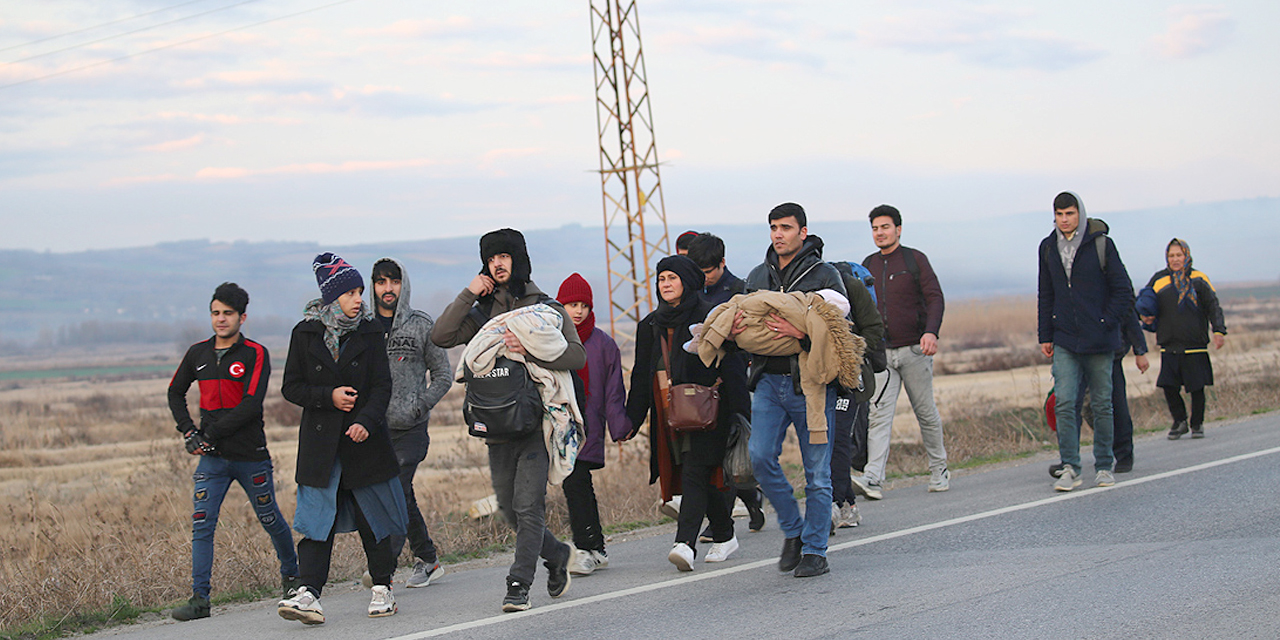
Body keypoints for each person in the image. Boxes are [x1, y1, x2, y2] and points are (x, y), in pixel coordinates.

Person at [431, 228, 583, 613]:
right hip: (496, 425)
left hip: (534, 424)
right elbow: (441, 335)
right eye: (491, 258)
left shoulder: (545, 308)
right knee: (508, 508)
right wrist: (469, 293)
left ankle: (518, 584)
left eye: (504, 256)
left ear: (519, 259)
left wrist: (530, 350)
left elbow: (576, 356)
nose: (497, 264)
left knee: (528, 506)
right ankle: (557, 554)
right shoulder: (482, 312)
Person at [277, 253, 405, 624]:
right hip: (321, 447)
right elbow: (291, 387)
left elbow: (382, 385)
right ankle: (308, 594)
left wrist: (366, 420)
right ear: (331, 297)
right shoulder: (305, 333)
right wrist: (328, 397)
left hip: (364, 441)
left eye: (360, 292)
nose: (358, 299)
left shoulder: (370, 331)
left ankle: (382, 587)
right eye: (350, 293)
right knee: (316, 522)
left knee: (373, 517)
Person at [167, 282, 298, 621]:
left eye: (228, 313)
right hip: (211, 461)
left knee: (270, 519)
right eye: (215, 313)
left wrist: (209, 434)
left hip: (250, 456)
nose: (220, 319)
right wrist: (189, 432)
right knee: (202, 526)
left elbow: (250, 405)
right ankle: (200, 600)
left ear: (242, 317)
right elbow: (175, 392)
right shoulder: (197, 354)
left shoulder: (255, 353)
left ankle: (293, 579)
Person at [739, 202, 847, 578]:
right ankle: (793, 530)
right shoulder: (758, 275)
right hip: (768, 381)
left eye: (785, 227)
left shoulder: (824, 274)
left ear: (803, 232)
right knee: (759, 457)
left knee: (817, 472)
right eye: (773, 227)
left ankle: (815, 550)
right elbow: (746, 324)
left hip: (811, 383)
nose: (778, 234)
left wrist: (801, 335)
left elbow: (839, 332)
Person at [625, 255, 751, 571]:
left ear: (688, 282)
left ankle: (684, 544)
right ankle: (725, 534)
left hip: (711, 411)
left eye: (672, 278)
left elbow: (733, 365)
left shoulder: (710, 317)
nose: (665, 284)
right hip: (670, 415)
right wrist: (631, 420)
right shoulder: (650, 325)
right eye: (661, 279)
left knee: (695, 469)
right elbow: (641, 376)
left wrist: (741, 414)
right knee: (698, 475)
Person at [1037, 192, 1134, 492]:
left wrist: (1105, 322)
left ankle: (1104, 466)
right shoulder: (1048, 247)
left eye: (1069, 213)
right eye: (1059, 214)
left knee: (1103, 405)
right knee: (1065, 402)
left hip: (1100, 340)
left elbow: (1123, 290)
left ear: (1080, 213)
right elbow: (1046, 293)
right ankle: (1070, 467)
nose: (1064, 219)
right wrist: (1045, 335)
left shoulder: (1101, 244)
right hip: (1065, 338)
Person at [368, 258, 451, 587]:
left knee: (397, 492)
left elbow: (443, 375)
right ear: (373, 286)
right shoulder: (364, 327)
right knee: (402, 495)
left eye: (394, 281)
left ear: (404, 285)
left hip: (411, 428)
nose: (388, 288)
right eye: (381, 282)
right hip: (376, 430)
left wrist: (420, 406)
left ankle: (382, 571)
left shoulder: (420, 324)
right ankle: (428, 558)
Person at [855, 204, 949, 499]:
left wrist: (931, 332)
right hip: (881, 355)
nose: (879, 233)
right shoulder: (867, 265)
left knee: (925, 413)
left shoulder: (914, 259)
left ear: (898, 229)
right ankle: (873, 478)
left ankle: (939, 470)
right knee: (878, 415)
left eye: (885, 227)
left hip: (914, 351)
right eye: (875, 228)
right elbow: (860, 307)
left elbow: (935, 298)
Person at [686, 232, 766, 534]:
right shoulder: (691, 291)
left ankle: (723, 520)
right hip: (701, 386)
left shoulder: (740, 291)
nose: (703, 278)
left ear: (722, 263)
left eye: (708, 272)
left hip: (734, 381)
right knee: (710, 455)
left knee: (732, 447)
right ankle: (749, 500)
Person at [555, 273, 632, 576]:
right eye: (572, 305)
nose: (578, 311)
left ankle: (586, 549)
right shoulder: (551, 340)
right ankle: (596, 548)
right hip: (559, 426)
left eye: (584, 305)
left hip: (589, 426)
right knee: (578, 485)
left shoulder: (603, 344)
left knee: (576, 483)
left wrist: (619, 427)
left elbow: (614, 391)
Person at [1141, 238, 1227, 439]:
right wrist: (1145, 316)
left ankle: (1197, 424)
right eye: (1171, 255)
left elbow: (1213, 306)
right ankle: (1179, 421)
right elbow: (1145, 303)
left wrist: (1219, 331)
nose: (1175, 259)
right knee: (1168, 386)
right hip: (1169, 343)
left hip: (1195, 344)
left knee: (1196, 387)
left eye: (1179, 255)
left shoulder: (1199, 279)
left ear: (1186, 255)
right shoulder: (1159, 279)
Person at [1050, 305, 1149, 477]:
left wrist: (1140, 350)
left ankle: (1124, 454)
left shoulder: (1109, 288)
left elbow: (1128, 313)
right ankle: (1068, 460)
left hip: (1107, 350)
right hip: (1074, 351)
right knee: (1070, 406)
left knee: (1115, 404)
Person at [827, 261, 885, 528]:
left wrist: (851, 356)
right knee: (822, 442)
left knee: (838, 439)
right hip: (814, 377)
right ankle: (847, 504)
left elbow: (874, 328)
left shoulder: (849, 285)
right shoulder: (797, 287)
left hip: (847, 379)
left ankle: (835, 503)